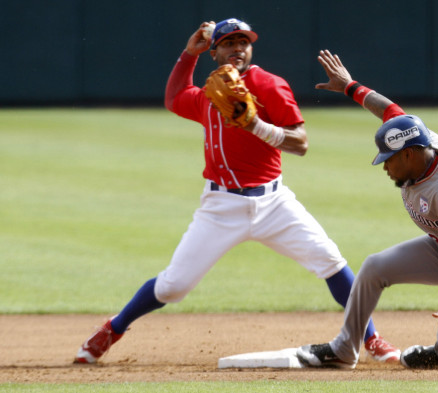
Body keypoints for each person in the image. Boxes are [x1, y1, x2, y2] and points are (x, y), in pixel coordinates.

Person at [74, 19, 399, 365]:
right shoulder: (207, 96)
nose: (237, 49)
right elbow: (173, 98)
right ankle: (114, 328)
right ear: (214, 52)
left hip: (273, 203)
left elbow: (300, 143)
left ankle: (373, 338)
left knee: (332, 262)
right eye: (228, 43)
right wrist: (188, 54)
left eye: (243, 42)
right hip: (220, 206)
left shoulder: (269, 84)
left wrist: (255, 125)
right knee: (172, 287)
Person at [296, 50, 438, 369]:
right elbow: (391, 112)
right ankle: (344, 349)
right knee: (374, 267)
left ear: (408, 156)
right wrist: (350, 86)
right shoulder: (420, 144)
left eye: (387, 159)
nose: (383, 166)